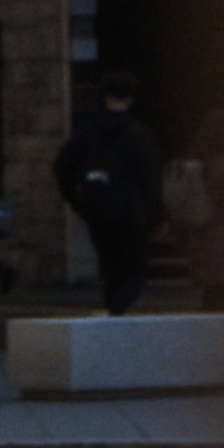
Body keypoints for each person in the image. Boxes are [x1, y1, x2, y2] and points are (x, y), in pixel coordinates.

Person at [54, 71, 163, 315]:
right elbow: (150, 178)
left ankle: (112, 312)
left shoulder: (87, 133)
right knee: (134, 271)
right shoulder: (139, 134)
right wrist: (153, 212)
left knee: (110, 268)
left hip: (98, 209)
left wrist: (77, 201)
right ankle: (116, 311)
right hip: (130, 210)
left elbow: (62, 167)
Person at [169, 106, 224, 313]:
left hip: (197, 233)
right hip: (221, 236)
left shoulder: (193, 160)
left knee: (209, 297)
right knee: (222, 296)